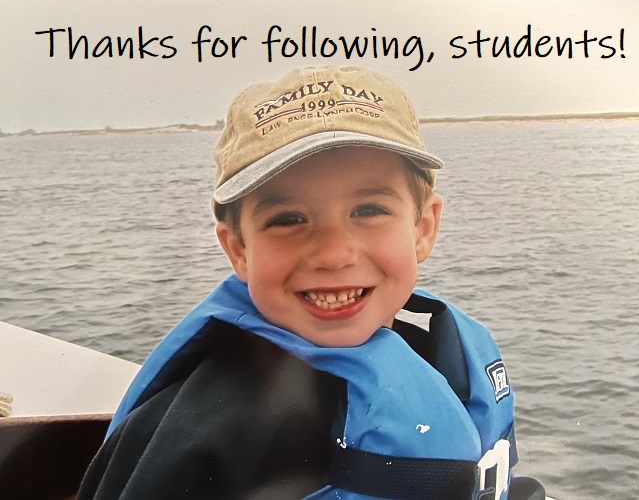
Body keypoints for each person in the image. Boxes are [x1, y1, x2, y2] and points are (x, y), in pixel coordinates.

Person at [79, 65, 544, 499]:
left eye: (368, 210)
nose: (334, 254)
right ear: (238, 249)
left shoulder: (442, 355)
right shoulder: (209, 423)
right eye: (288, 219)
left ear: (424, 227)